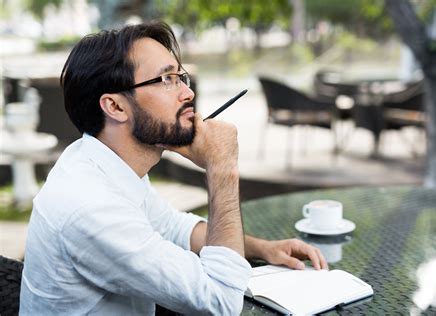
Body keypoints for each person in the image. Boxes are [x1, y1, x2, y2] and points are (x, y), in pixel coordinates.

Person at [19, 21, 327, 315]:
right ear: (115, 106)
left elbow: (175, 229)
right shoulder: (90, 207)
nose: (187, 93)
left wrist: (262, 248)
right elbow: (221, 300)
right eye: (166, 79)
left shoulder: (104, 161)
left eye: (181, 77)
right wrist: (222, 169)